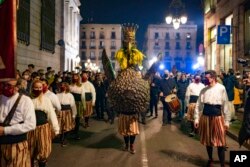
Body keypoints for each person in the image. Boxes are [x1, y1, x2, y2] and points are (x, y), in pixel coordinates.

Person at [194, 70, 231, 167]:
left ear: (213, 78)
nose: (205, 79)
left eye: (207, 78)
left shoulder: (221, 88)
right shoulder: (203, 90)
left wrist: (227, 121)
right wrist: (196, 119)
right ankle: (210, 159)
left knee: (220, 142)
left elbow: (225, 105)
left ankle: (222, 164)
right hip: (206, 117)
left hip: (218, 117)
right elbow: (198, 105)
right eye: (205, 78)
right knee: (208, 141)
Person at [0, 79, 36, 167]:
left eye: (9, 85)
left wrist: (5, 130)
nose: (5, 87)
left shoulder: (25, 100)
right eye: (3, 84)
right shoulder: (0, 98)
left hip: (17, 145)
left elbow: (31, 124)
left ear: (17, 87)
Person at [28, 80, 59, 167]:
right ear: (32, 88)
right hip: (30, 129)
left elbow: (51, 115)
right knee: (30, 150)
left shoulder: (46, 100)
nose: (38, 89)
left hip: (43, 127)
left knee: (43, 150)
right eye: (36, 87)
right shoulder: (27, 99)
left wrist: (56, 128)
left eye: (40, 87)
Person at [69, 73, 84, 140]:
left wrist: (84, 106)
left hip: (78, 103)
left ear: (78, 78)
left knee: (77, 118)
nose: (75, 78)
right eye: (74, 77)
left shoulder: (81, 86)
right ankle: (72, 130)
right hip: (71, 103)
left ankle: (76, 133)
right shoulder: (70, 86)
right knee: (71, 117)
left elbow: (83, 97)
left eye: (76, 77)